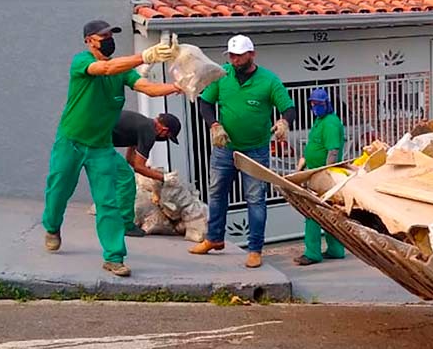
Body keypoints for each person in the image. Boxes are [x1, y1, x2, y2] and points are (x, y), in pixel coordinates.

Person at [42, 20, 181, 277]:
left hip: (101, 147)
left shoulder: (122, 71)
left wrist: (178, 87)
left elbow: (148, 88)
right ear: (89, 41)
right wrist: (145, 56)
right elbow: (104, 68)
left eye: (111, 35)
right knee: (59, 190)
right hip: (70, 141)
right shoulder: (81, 62)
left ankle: (114, 257)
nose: (108, 39)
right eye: (103, 36)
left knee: (108, 202)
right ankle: (51, 226)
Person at [189, 34, 296, 269]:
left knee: (256, 199)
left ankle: (255, 249)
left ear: (252, 54)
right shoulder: (222, 75)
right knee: (216, 193)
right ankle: (214, 239)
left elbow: (288, 107)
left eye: (239, 56)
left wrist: (283, 122)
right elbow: (204, 102)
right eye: (232, 56)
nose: (235, 61)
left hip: (255, 150)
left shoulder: (269, 80)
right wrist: (214, 125)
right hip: (224, 148)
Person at [293, 89, 347, 266]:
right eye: (313, 104)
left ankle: (312, 254)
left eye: (318, 104)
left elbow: (333, 151)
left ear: (327, 104)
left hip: (324, 175)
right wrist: (303, 164)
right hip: (315, 172)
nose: (315, 107)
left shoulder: (330, 123)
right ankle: (336, 250)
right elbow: (313, 146)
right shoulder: (319, 121)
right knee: (329, 213)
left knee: (313, 214)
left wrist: (325, 173)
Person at [111, 110, 182, 237]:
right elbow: (139, 167)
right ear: (164, 130)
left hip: (94, 133)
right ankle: (124, 224)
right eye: (167, 137)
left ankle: (114, 218)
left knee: (121, 176)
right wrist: (164, 177)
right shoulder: (148, 132)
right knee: (126, 181)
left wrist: (150, 172)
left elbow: (130, 160)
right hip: (97, 139)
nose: (164, 139)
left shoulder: (142, 124)